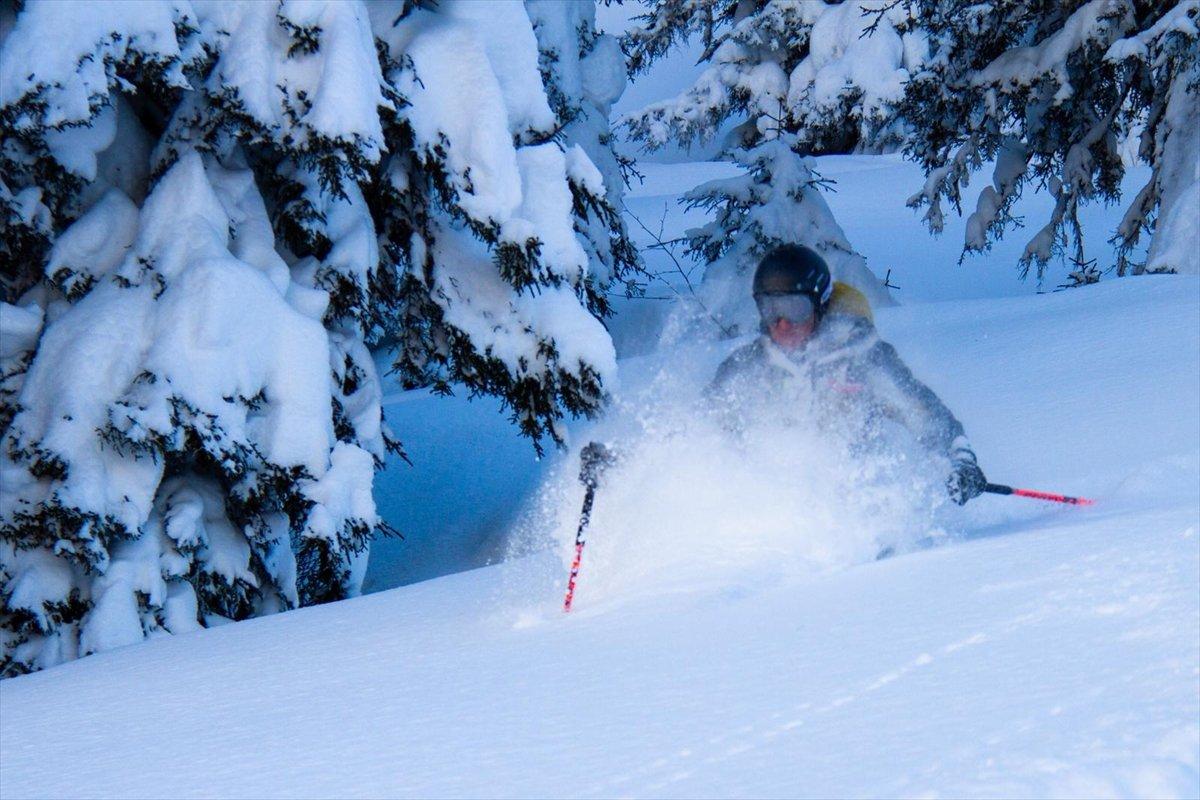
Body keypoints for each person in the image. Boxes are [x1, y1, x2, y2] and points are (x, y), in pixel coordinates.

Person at [706, 244, 987, 505]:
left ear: (820, 305)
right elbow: (703, 426)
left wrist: (959, 461)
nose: (781, 324)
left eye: (794, 309)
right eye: (770, 309)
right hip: (774, 507)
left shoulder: (860, 358)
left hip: (859, 507)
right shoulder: (748, 366)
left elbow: (921, 411)